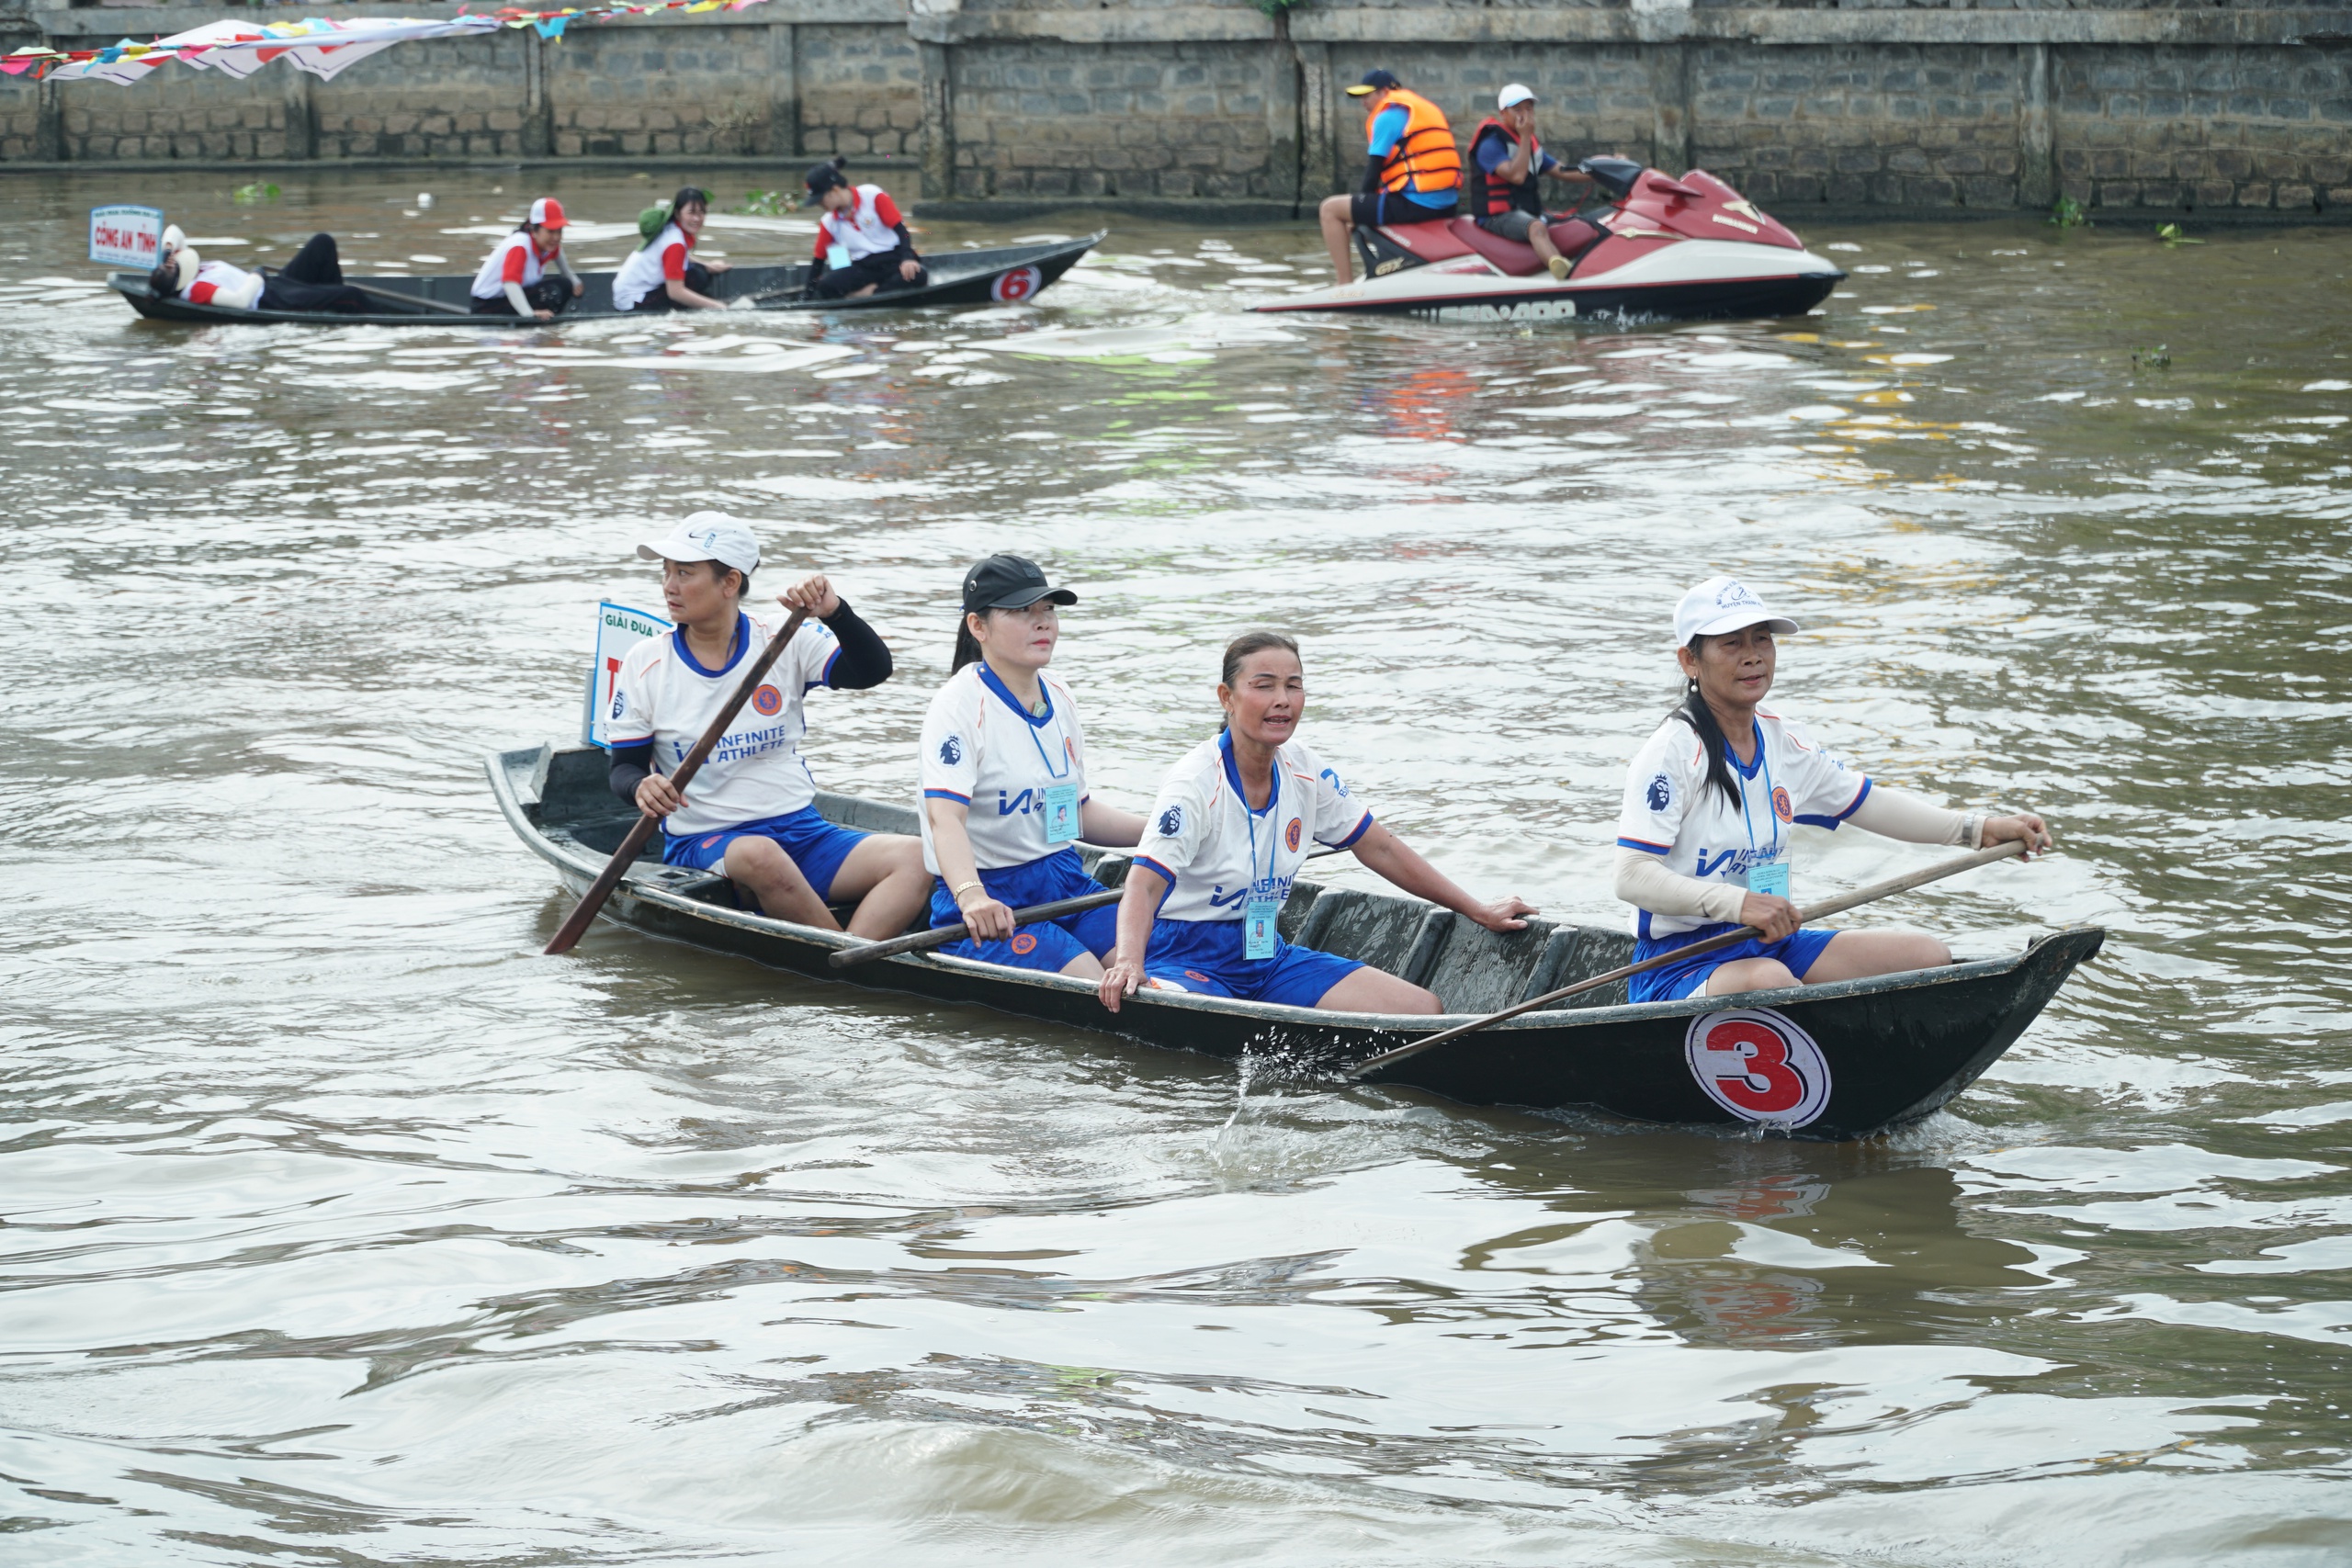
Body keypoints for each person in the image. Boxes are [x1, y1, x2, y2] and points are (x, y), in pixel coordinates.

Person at [1614, 577, 2053, 1002]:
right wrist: (1738, 903)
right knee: (1770, 981)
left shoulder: (1784, 740)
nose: (1752, 657)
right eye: (1731, 644)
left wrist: (1979, 830)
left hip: (1769, 940)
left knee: (1928, 957)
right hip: (1679, 962)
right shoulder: (1671, 753)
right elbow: (1632, 874)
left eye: (1762, 639)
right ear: (1690, 661)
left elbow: (1869, 803)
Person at [1099, 631, 1536, 1016]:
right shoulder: (1195, 782)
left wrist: (1476, 909)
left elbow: (1379, 847)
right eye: (1263, 686)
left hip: (1263, 949)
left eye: (1294, 686)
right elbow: (1144, 884)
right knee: (1203, 1016)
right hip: (1182, 952)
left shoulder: (1305, 770)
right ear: (1227, 697)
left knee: (1421, 1008)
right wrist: (1129, 964)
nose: (1282, 700)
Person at [605, 513, 931, 940]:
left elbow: (872, 670)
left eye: (685, 573)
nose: (669, 586)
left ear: (730, 583)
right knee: (761, 855)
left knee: (922, 857)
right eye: (666, 573)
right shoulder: (646, 662)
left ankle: (847, 960)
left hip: (801, 830)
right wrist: (640, 787)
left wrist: (834, 612)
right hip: (708, 841)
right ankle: (849, 967)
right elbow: (622, 769)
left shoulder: (783, 637)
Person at [919, 555, 1143, 977]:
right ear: (977, 627)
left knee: (1140, 970)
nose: (1042, 623)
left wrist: (1166, 833)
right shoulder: (959, 705)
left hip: (1064, 879)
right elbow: (944, 819)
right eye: (1022, 612)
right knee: (1097, 984)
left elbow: (1076, 813)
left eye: (1048, 610)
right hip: (992, 898)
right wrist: (971, 897)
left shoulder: (1058, 692)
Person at [1316, 69, 1463, 287]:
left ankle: (1343, 284)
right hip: (1447, 204)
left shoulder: (1387, 118)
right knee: (1362, 211)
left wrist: (1358, 215)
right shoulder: (1420, 110)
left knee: (1330, 209)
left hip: (1417, 204)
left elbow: (1372, 172)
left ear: (1385, 91)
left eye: (1367, 96)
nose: (1363, 102)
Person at [1464, 84, 1597, 282]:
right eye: (1517, 110)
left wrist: (1604, 170)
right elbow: (1516, 176)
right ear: (1503, 113)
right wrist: (1526, 135)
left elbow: (1563, 171)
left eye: (1529, 109)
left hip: (1526, 211)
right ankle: (1563, 273)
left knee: (1577, 223)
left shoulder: (1530, 145)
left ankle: (1589, 267)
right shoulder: (1490, 144)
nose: (1524, 114)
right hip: (1496, 217)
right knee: (1536, 228)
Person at [146, 225, 370, 314]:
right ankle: (349, 310)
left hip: (274, 285)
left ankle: (329, 303)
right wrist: (256, 275)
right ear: (176, 277)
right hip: (270, 299)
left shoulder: (186, 269)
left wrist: (166, 251)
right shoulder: (195, 289)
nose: (172, 261)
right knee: (353, 295)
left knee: (323, 243)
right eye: (169, 265)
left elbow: (175, 232)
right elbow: (241, 302)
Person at [803, 160, 928, 300]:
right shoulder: (829, 222)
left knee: (918, 275)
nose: (820, 205)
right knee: (826, 285)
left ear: (835, 190)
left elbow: (901, 230)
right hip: (863, 268)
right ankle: (877, 293)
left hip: (894, 259)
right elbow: (818, 263)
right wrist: (807, 298)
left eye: (821, 200)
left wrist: (907, 258)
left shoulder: (872, 195)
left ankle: (867, 294)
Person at [611, 186, 731, 312]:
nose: (697, 219)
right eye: (691, 212)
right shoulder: (675, 243)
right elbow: (675, 292)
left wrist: (707, 265)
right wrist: (719, 307)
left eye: (701, 212)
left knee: (698, 271)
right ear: (678, 214)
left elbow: (679, 257)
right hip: (633, 303)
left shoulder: (671, 231)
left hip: (627, 297)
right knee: (696, 277)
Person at [469, 197, 583, 319]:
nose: (556, 237)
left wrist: (573, 279)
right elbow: (510, 284)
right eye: (550, 231)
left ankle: (548, 320)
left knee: (565, 285)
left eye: (559, 231)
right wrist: (529, 315)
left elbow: (558, 253)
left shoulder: (547, 244)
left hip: (508, 299)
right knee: (551, 292)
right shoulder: (520, 246)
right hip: (486, 306)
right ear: (534, 231)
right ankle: (538, 321)